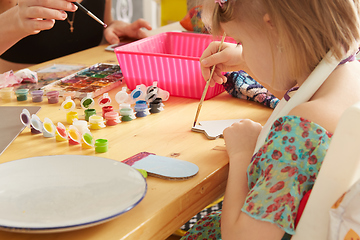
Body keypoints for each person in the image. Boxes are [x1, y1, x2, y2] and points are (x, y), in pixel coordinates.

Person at [181, 0, 360, 239]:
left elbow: (244, 237)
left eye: (241, 41)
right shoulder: (346, 76)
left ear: (275, 29)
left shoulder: (300, 131)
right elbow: (298, 92)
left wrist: (242, 153)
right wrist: (246, 61)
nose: (241, 49)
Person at [0, 0, 152, 73]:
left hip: (85, 97)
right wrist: (15, 20)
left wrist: (113, 28)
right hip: (21, 105)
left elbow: (104, 23)